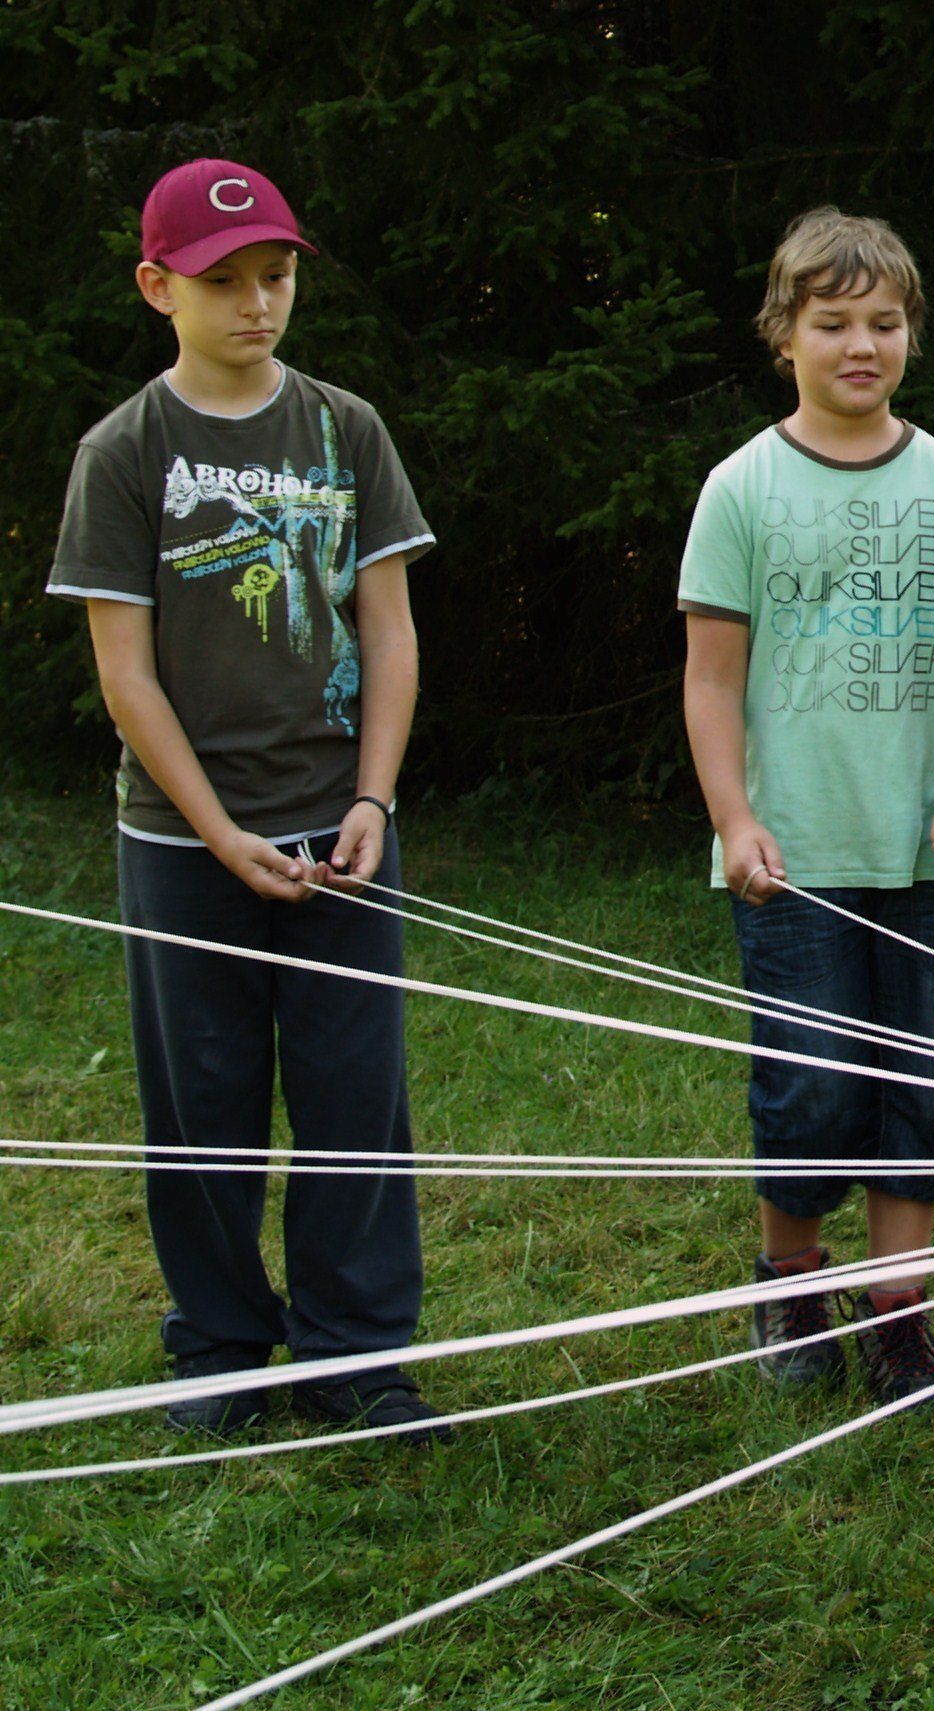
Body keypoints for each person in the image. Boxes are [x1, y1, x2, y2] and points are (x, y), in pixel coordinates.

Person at [46, 159, 444, 1439]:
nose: (257, 304)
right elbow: (126, 674)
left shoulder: (346, 429)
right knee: (201, 1102)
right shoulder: (124, 451)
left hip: (341, 829)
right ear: (157, 287)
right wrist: (217, 833)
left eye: (275, 277)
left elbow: (388, 629)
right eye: (224, 283)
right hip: (183, 840)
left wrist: (373, 797)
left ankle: (355, 1355)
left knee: (353, 1098)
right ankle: (219, 1344)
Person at [680, 206, 934, 1404]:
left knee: (915, 1086)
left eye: (882, 322)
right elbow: (711, 680)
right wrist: (735, 818)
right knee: (808, 1081)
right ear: (784, 337)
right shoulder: (741, 486)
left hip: (926, 851)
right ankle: (790, 1286)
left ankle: (898, 1315)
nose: (859, 345)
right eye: (831, 324)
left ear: (910, 332)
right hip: (793, 852)